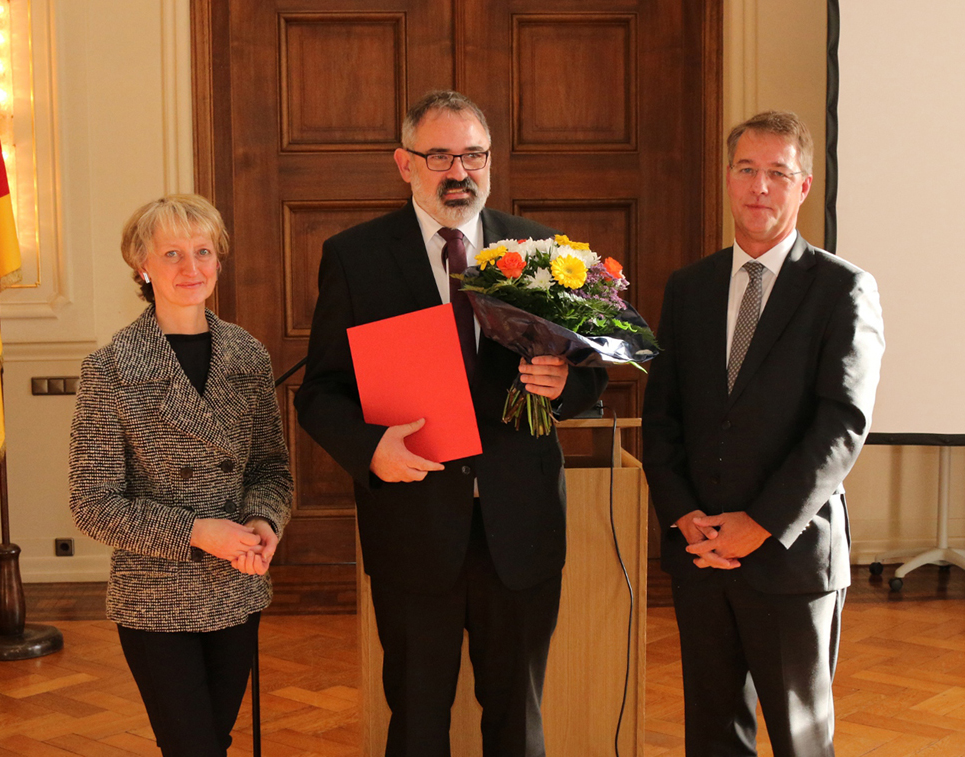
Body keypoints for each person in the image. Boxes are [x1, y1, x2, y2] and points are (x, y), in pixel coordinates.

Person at [295, 90, 607, 756]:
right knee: (415, 721)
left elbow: (592, 378)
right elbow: (319, 391)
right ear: (404, 163)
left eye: (473, 155)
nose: (458, 171)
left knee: (517, 725)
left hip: (519, 533)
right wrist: (371, 448)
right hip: (413, 529)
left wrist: (563, 384)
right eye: (440, 156)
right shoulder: (356, 256)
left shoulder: (547, 252)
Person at [641, 110, 885, 757]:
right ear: (728, 178)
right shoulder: (690, 288)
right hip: (701, 557)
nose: (759, 187)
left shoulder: (842, 289)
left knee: (801, 743)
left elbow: (841, 427)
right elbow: (660, 418)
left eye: (777, 173)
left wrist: (761, 522)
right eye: (747, 170)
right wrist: (684, 514)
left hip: (790, 557)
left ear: (802, 186)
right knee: (714, 739)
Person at [68, 194, 293, 757]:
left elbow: (271, 470)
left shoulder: (248, 356)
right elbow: (92, 503)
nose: (191, 268)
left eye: (202, 251)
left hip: (236, 587)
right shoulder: (111, 367)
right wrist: (198, 531)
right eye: (172, 254)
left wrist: (265, 521)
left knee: (213, 740)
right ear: (141, 266)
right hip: (155, 595)